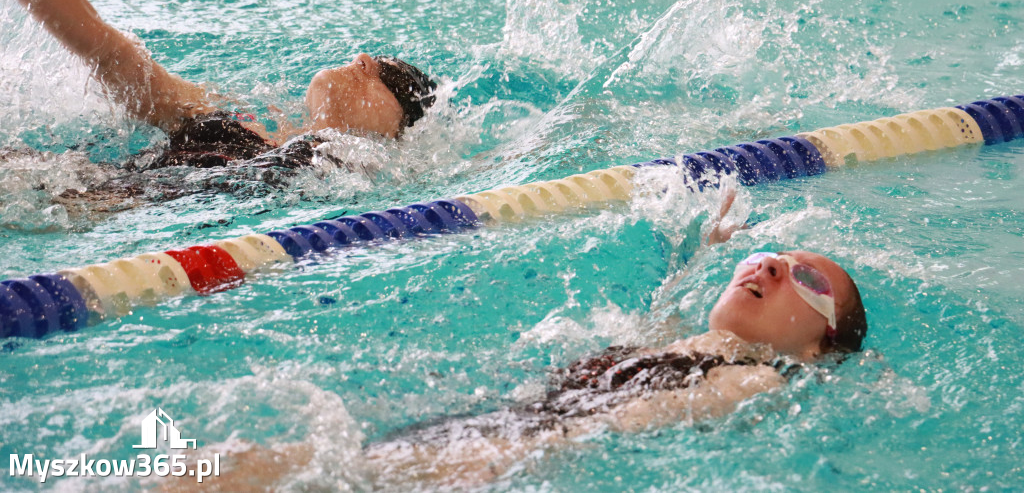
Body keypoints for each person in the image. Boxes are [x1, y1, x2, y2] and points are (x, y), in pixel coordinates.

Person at [185, 249, 867, 491]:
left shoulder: (759, 377)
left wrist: (516, 457)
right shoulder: (682, 340)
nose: (770, 266)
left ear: (817, 345)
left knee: (244, 473)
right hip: (491, 430)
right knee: (235, 469)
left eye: (804, 278)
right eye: (766, 257)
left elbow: (641, 418)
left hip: (503, 450)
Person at [0, 0, 437, 171]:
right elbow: (103, 45)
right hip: (55, 184)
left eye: (390, 76)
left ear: (398, 133)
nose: (363, 60)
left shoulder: (355, 181)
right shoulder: (230, 116)